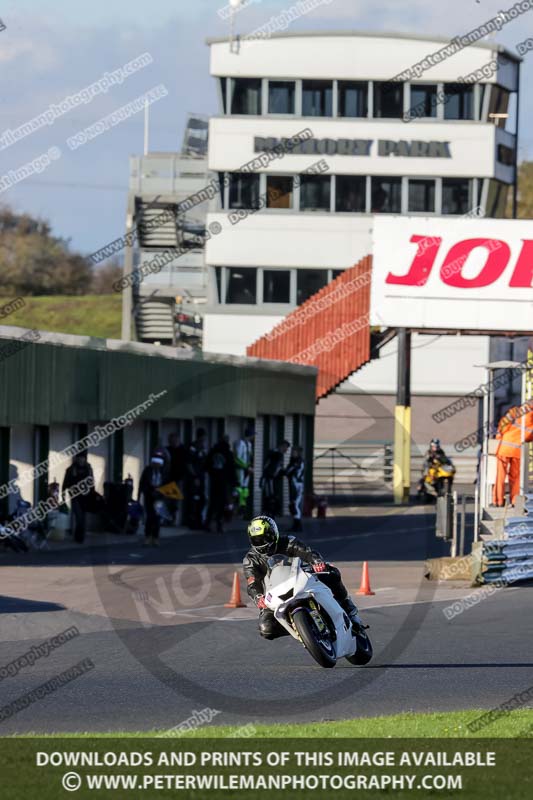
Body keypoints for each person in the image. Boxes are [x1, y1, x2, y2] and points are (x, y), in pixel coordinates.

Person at [243, 515, 362, 640]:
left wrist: (317, 562)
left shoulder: (288, 542)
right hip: (274, 595)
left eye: (265, 538)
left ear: (274, 533)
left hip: (301, 579)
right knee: (266, 629)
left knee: (331, 572)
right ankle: (302, 629)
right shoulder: (250, 559)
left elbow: (307, 552)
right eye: (257, 540)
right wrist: (258, 597)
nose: (262, 543)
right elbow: (252, 583)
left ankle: (347, 606)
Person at [493, 401, 533, 507]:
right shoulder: (531, 417)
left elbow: (502, 426)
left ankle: (498, 501)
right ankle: (514, 501)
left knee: (500, 476)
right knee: (515, 478)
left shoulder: (514, 411)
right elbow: (529, 437)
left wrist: (500, 437)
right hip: (517, 450)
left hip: (504, 448)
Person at [206, 436, 237, 533]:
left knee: (213, 503)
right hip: (225, 482)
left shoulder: (213, 452)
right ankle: (220, 523)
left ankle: (208, 523)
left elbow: (207, 465)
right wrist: (234, 482)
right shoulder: (228, 453)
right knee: (223, 503)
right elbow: (232, 468)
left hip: (214, 480)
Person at [62, 453, 94, 544]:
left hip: (86, 497)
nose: (81, 460)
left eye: (82, 458)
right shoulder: (71, 469)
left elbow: (92, 482)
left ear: (85, 459)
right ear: (76, 459)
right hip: (75, 496)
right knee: (79, 517)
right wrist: (63, 493)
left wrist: (92, 494)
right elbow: (65, 482)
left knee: (83, 518)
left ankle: (80, 536)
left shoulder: (88, 469)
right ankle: (79, 537)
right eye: (79, 459)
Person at [138, 449, 167, 547]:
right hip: (149, 495)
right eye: (155, 463)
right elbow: (142, 483)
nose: (156, 465)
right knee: (150, 517)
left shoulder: (164, 471)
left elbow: (166, 484)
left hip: (159, 496)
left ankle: (155, 538)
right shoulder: (147, 470)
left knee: (157, 517)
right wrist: (142, 494)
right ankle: (147, 537)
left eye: (158, 463)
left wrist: (161, 493)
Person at [183, 428, 208, 529]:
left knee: (201, 500)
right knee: (194, 499)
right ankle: (192, 521)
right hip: (194, 478)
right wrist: (194, 477)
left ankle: (199, 520)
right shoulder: (193, 447)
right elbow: (189, 463)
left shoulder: (203, 447)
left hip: (201, 477)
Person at [260, 440, 290, 515]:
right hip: (269, 478)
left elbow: (278, 468)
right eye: (285, 447)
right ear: (281, 446)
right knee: (270, 496)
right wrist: (265, 476)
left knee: (273, 495)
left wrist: (284, 472)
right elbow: (268, 466)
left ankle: (271, 513)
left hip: (275, 479)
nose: (286, 450)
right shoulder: (274, 454)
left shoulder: (280, 455)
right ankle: (268, 513)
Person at [234, 426, 254, 518]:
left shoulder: (249, 444)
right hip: (240, 469)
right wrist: (246, 467)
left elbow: (249, 457)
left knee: (245, 488)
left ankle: (242, 506)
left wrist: (250, 466)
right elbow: (237, 458)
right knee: (239, 488)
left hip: (247, 469)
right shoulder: (240, 443)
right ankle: (235, 505)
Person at [285, 445, 305, 532]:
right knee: (293, 504)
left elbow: (288, 471)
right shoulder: (295, 461)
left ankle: (298, 525)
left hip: (297, 485)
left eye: (294, 452)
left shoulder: (298, 462)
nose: (292, 454)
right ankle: (296, 524)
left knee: (295, 504)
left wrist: (284, 471)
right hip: (294, 484)